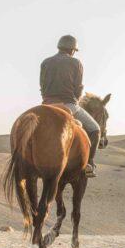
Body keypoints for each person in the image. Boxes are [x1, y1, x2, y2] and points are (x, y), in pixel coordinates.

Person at [40, 35, 99, 177]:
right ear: (72, 50)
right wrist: (76, 100)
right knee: (95, 129)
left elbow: (42, 86)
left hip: (47, 105)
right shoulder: (75, 63)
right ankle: (88, 164)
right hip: (68, 104)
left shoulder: (45, 62)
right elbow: (78, 88)